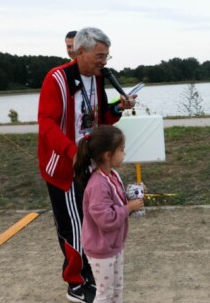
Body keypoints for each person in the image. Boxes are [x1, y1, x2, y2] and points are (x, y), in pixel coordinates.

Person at [38, 27, 136, 303]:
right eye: (99, 56)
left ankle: (91, 272)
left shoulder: (97, 77)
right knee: (73, 226)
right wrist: (74, 152)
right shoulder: (57, 79)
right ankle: (75, 283)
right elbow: (46, 125)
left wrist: (118, 108)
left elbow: (99, 116)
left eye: (106, 55)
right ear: (81, 52)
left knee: (92, 222)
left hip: (89, 162)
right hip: (65, 165)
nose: (104, 61)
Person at [74, 125, 144, 303]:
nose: (124, 153)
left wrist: (133, 194)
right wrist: (129, 208)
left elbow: (115, 201)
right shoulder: (98, 184)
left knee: (117, 288)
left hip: (114, 244)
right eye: (121, 150)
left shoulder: (112, 175)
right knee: (105, 293)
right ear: (107, 155)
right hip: (100, 249)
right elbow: (105, 219)